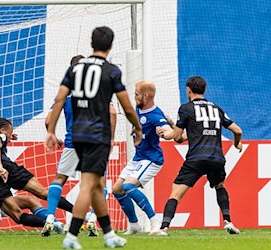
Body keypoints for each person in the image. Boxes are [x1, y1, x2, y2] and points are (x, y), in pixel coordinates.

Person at [45, 26, 142, 249]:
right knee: (88, 184)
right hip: (97, 135)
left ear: (91, 44)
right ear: (111, 46)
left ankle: (108, 235)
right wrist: (137, 127)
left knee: (97, 184)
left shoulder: (75, 69)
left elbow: (60, 99)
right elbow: (126, 107)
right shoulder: (111, 71)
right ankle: (71, 237)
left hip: (77, 136)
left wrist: (51, 131)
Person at [151, 76, 243, 236]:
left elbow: (178, 138)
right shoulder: (216, 108)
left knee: (175, 194)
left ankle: (164, 228)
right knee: (220, 186)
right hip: (216, 158)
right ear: (204, 90)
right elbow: (238, 130)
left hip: (196, 158)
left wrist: (171, 126)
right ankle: (228, 222)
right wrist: (236, 143)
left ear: (188, 90)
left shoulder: (186, 108)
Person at [43, 54, 118, 238]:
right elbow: (113, 113)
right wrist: (110, 138)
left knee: (59, 179)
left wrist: (52, 134)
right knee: (98, 182)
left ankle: (50, 218)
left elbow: (48, 120)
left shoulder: (65, 93)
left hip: (72, 142)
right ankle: (93, 218)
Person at [0, 118, 73, 232]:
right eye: (10, 131)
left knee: (17, 215)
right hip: (4, 166)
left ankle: (53, 226)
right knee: (44, 193)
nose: (11, 134)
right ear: (2, 130)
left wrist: (8, 137)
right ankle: (78, 213)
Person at [111, 81, 174, 235]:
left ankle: (154, 222)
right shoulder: (139, 110)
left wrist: (166, 133)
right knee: (117, 189)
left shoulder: (155, 116)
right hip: (138, 157)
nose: (135, 97)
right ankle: (134, 225)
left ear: (146, 96)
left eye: (137, 94)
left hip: (151, 159)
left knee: (128, 186)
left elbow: (168, 131)